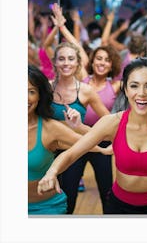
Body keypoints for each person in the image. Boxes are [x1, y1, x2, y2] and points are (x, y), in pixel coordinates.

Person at [37, 57, 147, 214]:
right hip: (119, 207)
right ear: (125, 89)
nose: (141, 93)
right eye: (134, 86)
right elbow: (71, 154)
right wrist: (51, 172)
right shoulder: (112, 123)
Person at [28, 64, 102, 215]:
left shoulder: (50, 128)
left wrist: (80, 127)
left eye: (31, 91)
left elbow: (92, 141)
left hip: (46, 208)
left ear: (39, 96)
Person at [50, 41, 110, 214]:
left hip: (85, 146)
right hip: (58, 151)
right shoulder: (46, 88)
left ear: (77, 63)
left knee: (101, 194)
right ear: (55, 62)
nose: (66, 63)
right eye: (61, 59)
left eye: (70, 59)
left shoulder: (86, 90)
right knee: (61, 200)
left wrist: (90, 132)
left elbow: (108, 120)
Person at [79, 44, 121, 212]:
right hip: (79, 140)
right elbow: (78, 49)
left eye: (107, 60)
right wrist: (62, 27)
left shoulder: (116, 86)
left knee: (106, 191)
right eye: (99, 58)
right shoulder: (83, 80)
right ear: (93, 61)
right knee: (69, 191)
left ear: (112, 65)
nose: (102, 63)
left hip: (102, 143)